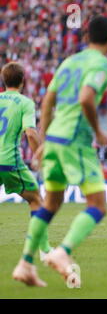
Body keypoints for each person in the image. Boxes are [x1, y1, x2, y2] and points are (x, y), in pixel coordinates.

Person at [12, 16, 107, 287]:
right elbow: (86, 97)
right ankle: (63, 251)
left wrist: (45, 139)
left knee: (51, 204)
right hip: (75, 141)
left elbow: (48, 101)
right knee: (97, 205)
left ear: (86, 37)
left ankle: (25, 264)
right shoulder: (102, 63)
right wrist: (99, 131)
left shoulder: (70, 61)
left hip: (55, 138)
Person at [0, 63, 52, 280]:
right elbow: (30, 133)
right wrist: (39, 154)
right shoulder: (25, 102)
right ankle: (45, 250)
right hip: (9, 162)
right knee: (37, 201)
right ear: (22, 81)